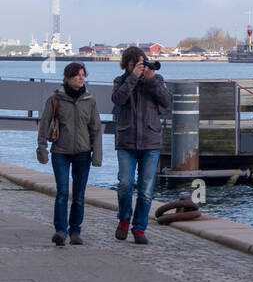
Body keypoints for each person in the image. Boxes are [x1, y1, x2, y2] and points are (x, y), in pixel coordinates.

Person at [36, 62, 103, 246]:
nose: (81, 78)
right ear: (67, 77)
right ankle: (60, 231)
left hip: (83, 153)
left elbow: (96, 129)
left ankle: (75, 231)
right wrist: (41, 147)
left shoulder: (90, 100)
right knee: (63, 192)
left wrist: (97, 155)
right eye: (77, 75)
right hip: (60, 152)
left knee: (79, 196)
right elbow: (44, 124)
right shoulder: (55, 99)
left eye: (83, 75)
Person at [111, 47, 172, 244]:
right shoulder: (120, 81)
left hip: (150, 140)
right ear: (127, 65)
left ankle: (139, 228)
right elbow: (118, 99)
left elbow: (166, 102)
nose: (140, 67)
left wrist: (151, 79)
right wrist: (133, 78)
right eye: (135, 64)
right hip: (126, 141)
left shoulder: (156, 80)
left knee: (146, 190)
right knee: (125, 184)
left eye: (142, 62)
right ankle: (124, 219)